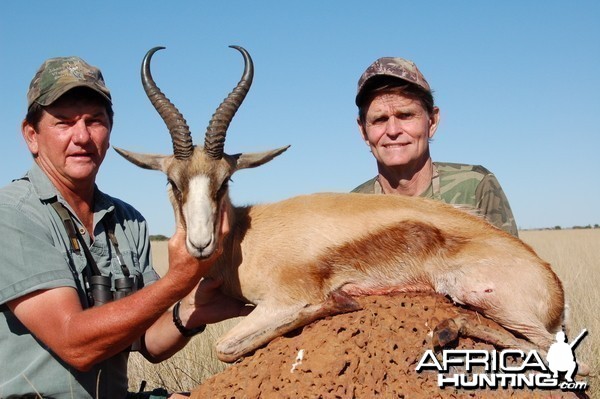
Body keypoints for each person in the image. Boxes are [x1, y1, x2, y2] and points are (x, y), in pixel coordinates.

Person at [0, 56, 246, 398]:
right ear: (31, 135)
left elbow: (149, 343)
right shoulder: (11, 214)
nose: (82, 136)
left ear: (109, 129)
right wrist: (179, 280)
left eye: (94, 120)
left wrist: (192, 310)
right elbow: (76, 345)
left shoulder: (126, 219)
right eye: (63, 123)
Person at [352, 57, 518, 237]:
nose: (392, 130)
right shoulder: (352, 210)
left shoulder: (475, 187)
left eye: (406, 115)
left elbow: (511, 262)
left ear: (432, 121)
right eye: (379, 119)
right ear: (363, 130)